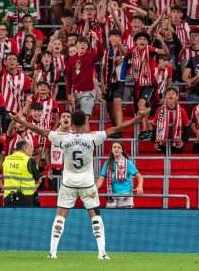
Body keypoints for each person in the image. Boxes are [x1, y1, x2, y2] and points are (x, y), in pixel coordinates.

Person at [11, 110, 145, 260]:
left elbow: (38, 130)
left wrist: (20, 121)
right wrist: (137, 118)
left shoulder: (62, 138)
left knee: (61, 216)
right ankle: (102, 253)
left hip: (68, 183)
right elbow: (117, 128)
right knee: (95, 216)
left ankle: (52, 252)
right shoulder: (93, 138)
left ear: (72, 124)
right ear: (86, 123)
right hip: (87, 184)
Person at [95, 142, 144, 208]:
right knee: (111, 217)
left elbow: (139, 176)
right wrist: (94, 189)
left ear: (122, 150)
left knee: (125, 217)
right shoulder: (107, 163)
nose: (116, 149)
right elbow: (101, 178)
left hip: (126, 196)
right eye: (114, 147)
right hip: (111, 195)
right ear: (111, 150)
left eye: (119, 147)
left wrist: (140, 186)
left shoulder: (128, 163)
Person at [1, 139, 39, 207]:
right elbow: (37, 178)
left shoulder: (7, 159)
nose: (32, 149)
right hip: (25, 198)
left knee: (10, 217)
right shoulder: (30, 161)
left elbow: (3, 179)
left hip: (8, 197)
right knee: (24, 217)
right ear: (24, 148)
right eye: (31, 147)